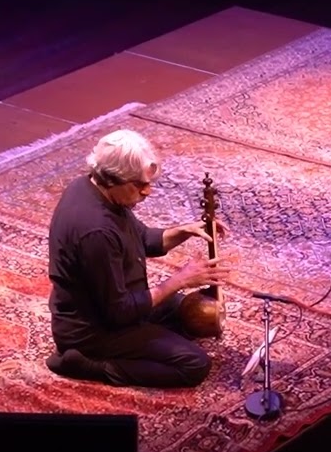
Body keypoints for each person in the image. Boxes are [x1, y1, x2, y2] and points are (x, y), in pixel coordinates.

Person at [44, 128, 231, 388]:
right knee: (194, 365)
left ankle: (146, 342)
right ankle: (87, 364)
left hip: (118, 304)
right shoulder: (96, 230)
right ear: (113, 179)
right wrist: (178, 280)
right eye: (140, 185)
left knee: (188, 310)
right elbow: (118, 313)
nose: (148, 192)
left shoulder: (95, 189)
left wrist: (183, 231)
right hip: (94, 330)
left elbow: (141, 238)